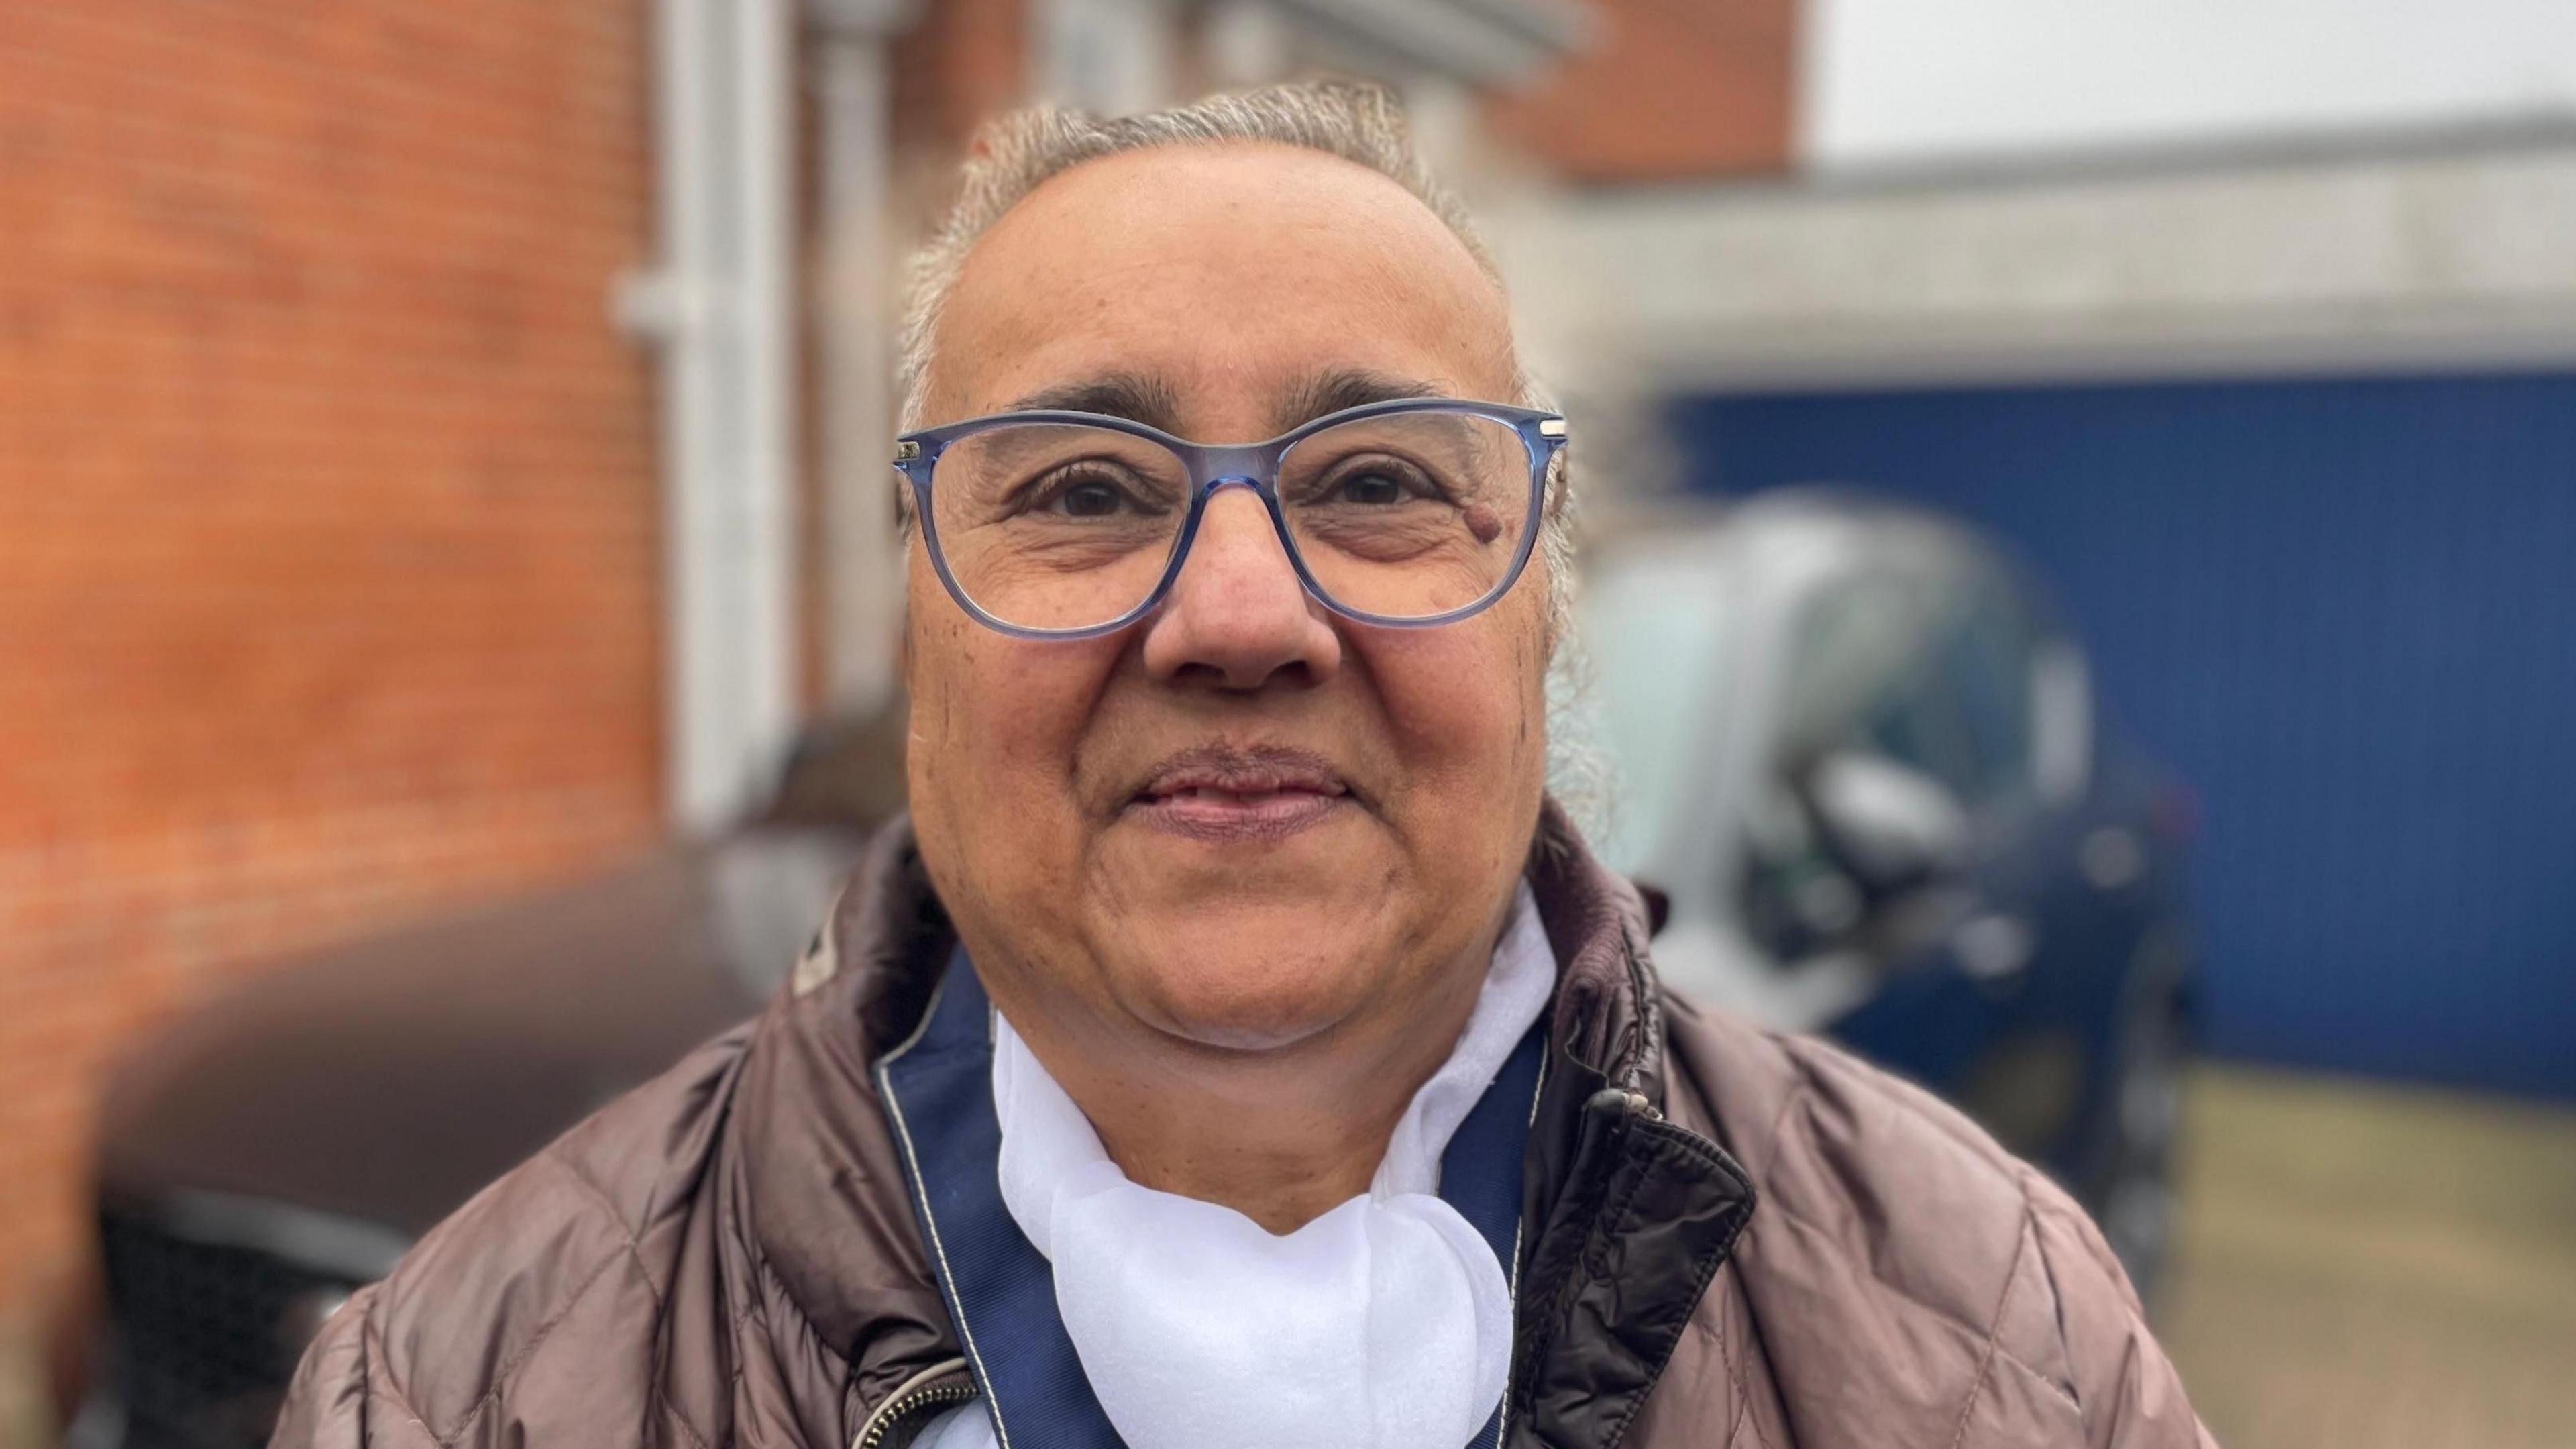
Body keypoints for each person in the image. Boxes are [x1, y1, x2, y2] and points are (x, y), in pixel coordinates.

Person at [272, 82, 2212, 1448]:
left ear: (1540, 608)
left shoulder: (1995, 1327)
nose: (1235, 615)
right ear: (914, 628)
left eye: (1375, 483)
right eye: (1088, 491)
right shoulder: (466, 1389)